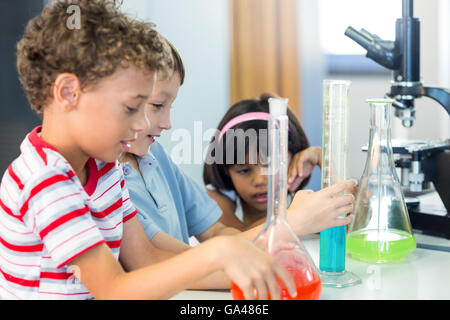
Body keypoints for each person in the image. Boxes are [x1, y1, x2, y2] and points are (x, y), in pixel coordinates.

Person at [0, 0, 298, 300]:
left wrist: (247, 273)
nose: (142, 122)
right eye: (131, 107)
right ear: (68, 93)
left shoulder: (105, 168)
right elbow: (114, 289)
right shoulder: (44, 180)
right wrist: (215, 253)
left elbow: (145, 258)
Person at [120, 34, 356, 286]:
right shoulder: (108, 178)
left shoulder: (155, 156)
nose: (168, 124)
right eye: (157, 105)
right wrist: (289, 224)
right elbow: (156, 263)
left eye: (169, 107)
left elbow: (216, 234)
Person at [203, 95, 325, 231]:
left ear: (294, 156)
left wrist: (322, 158)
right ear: (225, 171)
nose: (259, 180)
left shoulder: (306, 210)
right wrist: (300, 216)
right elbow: (241, 239)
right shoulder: (217, 203)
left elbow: (348, 215)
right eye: (244, 170)